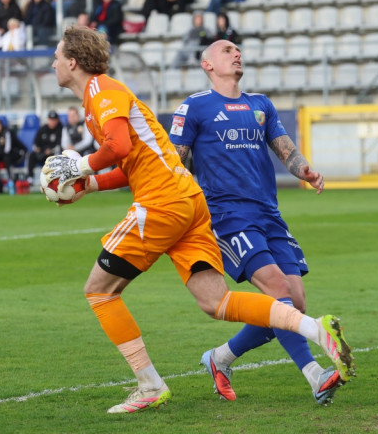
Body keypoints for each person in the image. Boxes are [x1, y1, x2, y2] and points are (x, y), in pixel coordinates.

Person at [41, 26, 354, 413]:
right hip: (194, 201)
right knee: (216, 301)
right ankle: (311, 331)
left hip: (165, 201)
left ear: (73, 62)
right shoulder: (121, 100)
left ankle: (149, 385)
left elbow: (117, 147)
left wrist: (78, 166)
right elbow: (137, 162)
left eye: (56, 57)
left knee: (99, 291)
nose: (53, 64)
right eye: (227, 50)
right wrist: (90, 183)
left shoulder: (102, 92)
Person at [169, 40, 346, 404]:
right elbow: (175, 164)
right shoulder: (194, 106)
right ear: (207, 64)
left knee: (294, 303)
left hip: (269, 213)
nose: (236, 53)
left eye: (238, 49)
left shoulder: (260, 104)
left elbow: (284, 146)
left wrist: (304, 170)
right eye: (226, 50)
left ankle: (220, 358)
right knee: (277, 287)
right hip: (228, 215)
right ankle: (315, 375)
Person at [26, 109, 63, 180]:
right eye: (50, 119)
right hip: (42, 153)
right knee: (31, 155)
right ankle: (30, 177)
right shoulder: (43, 129)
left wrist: (51, 150)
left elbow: (60, 144)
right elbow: (35, 143)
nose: (52, 122)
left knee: (56, 156)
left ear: (57, 120)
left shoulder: (61, 129)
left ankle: (53, 178)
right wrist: (37, 149)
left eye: (54, 120)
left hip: (53, 154)